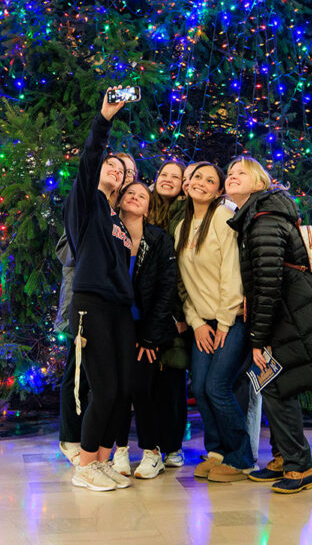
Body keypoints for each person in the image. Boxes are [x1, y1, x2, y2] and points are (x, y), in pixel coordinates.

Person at [225, 156, 312, 494]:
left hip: (289, 314)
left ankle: (300, 467)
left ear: (259, 183)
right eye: (229, 173)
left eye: (240, 173)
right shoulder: (255, 215)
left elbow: (267, 285)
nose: (231, 177)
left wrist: (257, 339)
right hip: (287, 311)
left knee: (278, 386)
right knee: (274, 385)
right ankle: (283, 457)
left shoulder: (263, 219)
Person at [63, 86, 136, 491]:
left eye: (124, 171)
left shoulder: (118, 222)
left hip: (120, 309)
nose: (116, 170)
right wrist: (104, 119)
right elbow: (90, 159)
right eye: (112, 165)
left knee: (123, 389)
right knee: (104, 388)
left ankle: (104, 459)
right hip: (91, 303)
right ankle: (85, 464)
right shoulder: (86, 204)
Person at [175, 162, 254, 482]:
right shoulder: (180, 226)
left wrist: (222, 322)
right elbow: (182, 283)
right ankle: (217, 450)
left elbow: (231, 272)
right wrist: (196, 322)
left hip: (230, 319)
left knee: (217, 387)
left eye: (210, 181)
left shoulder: (222, 217)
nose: (202, 184)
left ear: (219, 191)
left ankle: (241, 456)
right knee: (202, 389)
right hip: (202, 322)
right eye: (197, 178)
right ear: (187, 183)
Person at [112, 181, 178, 478]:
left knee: (142, 388)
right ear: (120, 201)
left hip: (147, 326)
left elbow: (167, 288)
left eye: (142, 195)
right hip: (113, 326)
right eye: (130, 193)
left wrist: (151, 336)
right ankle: (121, 449)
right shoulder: (108, 233)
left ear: (148, 207)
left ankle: (152, 452)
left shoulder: (159, 238)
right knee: (117, 390)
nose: (135, 197)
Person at [144, 160, 189, 468]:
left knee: (173, 380)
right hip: (143, 307)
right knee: (145, 382)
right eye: (164, 174)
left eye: (177, 176)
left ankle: (172, 445)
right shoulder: (142, 207)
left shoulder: (187, 213)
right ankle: (151, 445)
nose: (169, 179)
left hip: (176, 310)